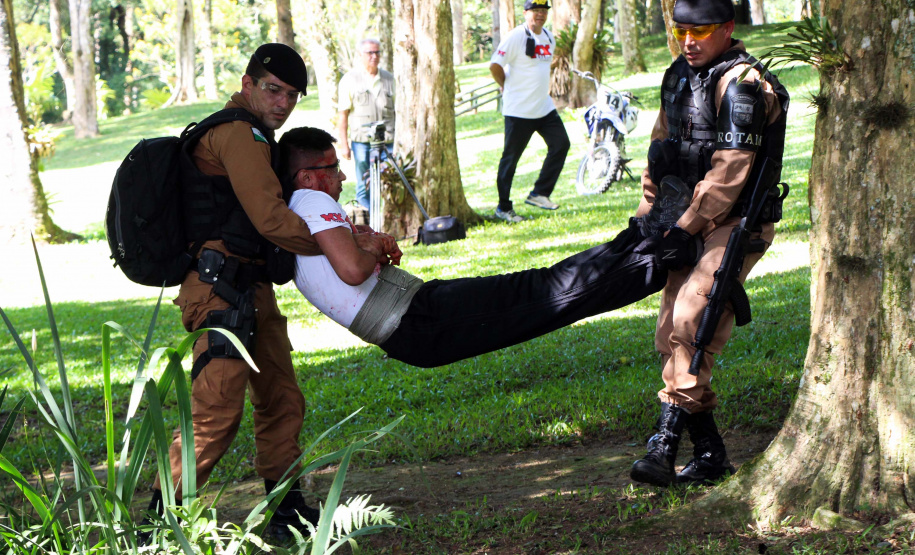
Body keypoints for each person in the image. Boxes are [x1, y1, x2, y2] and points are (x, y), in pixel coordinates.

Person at [145, 44, 360, 539]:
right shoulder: (237, 133)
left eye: (292, 95)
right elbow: (271, 219)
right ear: (248, 84)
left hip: (251, 288)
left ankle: (286, 515)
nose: (283, 103)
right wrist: (341, 244)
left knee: (282, 399)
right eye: (273, 90)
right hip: (218, 292)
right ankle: (158, 527)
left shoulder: (258, 134)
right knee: (216, 411)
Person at [277, 126, 667, 369]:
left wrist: (365, 241)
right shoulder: (312, 199)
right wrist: (373, 246)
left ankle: (640, 241)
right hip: (415, 322)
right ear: (307, 177)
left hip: (418, 312)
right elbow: (353, 270)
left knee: (537, 287)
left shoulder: (298, 207)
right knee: (542, 295)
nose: (342, 176)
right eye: (332, 168)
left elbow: (346, 262)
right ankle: (656, 258)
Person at [627, 0, 789, 487]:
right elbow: (661, 152)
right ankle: (711, 455)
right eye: (681, 31)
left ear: (728, 29)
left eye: (700, 31)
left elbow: (729, 174)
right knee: (669, 332)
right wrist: (649, 218)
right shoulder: (678, 76)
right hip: (685, 221)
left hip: (736, 224)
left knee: (693, 319)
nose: (688, 41)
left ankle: (663, 444)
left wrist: (686, 227)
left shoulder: (744, 85)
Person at [490, 0, 570, 223]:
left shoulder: (549, 37)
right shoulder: (516, 36)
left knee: (561, 144)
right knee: (510, 160)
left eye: (544, 11)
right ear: (526, 13)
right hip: (519, 111)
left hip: (544, 108)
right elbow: (495, 65)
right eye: (536, 11)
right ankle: (503, 207)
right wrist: (505, 84)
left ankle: (539, 193)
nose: (540, 15)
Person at [336, 38, 395, 214]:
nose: (374, 56)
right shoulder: (350, 79)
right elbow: (343, 115)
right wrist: (344, 145)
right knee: (364, 183)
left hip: (388, 141)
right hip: (362, 142)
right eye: (370, 53)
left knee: (392, 181)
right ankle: (367, 219)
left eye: (377, 52)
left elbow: (399, 111)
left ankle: (389, 217)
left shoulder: (389, 79)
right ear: (361, 55)